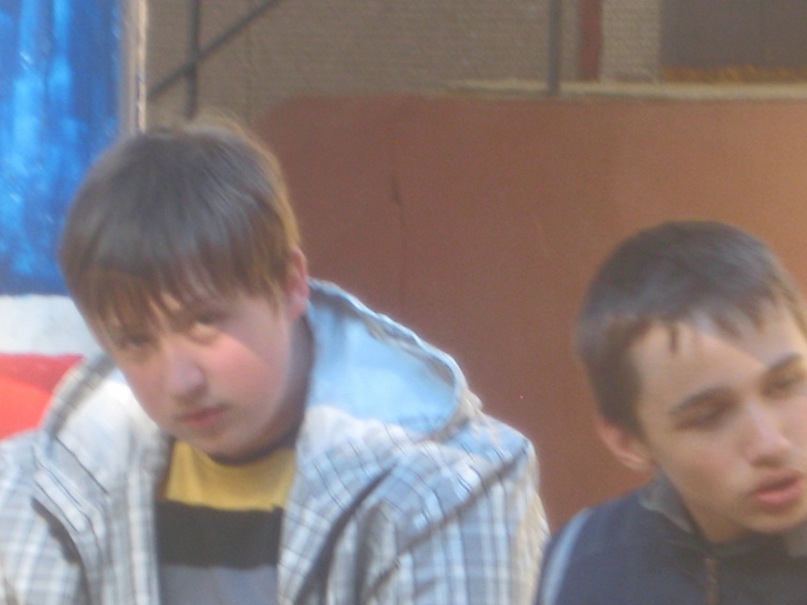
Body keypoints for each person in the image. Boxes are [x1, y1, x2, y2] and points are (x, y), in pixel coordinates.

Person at [0, 123, 547, 604]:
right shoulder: (44, 483)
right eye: (135, 342)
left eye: (204, 322)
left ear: (290, 285)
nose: (180, 381)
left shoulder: (448, 489)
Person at [536, 220, 807, 605]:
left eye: (785, 384)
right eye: (709, 416)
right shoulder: (572, 572)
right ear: (628, 443)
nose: (770, 444)